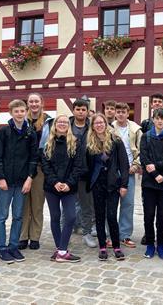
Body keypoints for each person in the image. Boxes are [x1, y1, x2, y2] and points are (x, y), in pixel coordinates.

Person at [0, 99, 38, 263]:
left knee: (18, 216)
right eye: (16, 111)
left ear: (26, 112)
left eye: (22, 111)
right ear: (11, 113)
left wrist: (29, 178)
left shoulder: (30, 133)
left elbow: (34, 158)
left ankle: (13, 246)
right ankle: (2, 248)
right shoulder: (4, 132)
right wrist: (0, 177)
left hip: (21, 181)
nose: (19, 114)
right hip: (6, 181)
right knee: (2, 216)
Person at [41, 115, 84, 263]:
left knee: (70, 216)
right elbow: (45, 166)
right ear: (55, 125)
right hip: (51, 187)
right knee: (55, 216)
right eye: (60, 122)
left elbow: (78, 166)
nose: (63, 124)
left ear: (69, 125)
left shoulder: (76, 143)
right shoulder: (48, 144)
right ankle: (62, 250)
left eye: (65, 122)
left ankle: (61, 251)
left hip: (69, 188)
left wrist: (68, 184)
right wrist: (55, 182)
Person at [87, 113, 130, 261]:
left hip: (113, 183)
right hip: (97, 184)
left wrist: (124, 184)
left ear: (106, 124)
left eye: (101, 122)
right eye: (96, 123)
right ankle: (102, 247)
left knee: (111, 216)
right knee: (99, 216)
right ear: (93, 126)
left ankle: (117, 246)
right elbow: (87, 165)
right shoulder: (89, 142)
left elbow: (124, 164)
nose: (99, 125)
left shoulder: (116, 140)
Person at [140, 108, 163, 260]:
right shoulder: (146, 137)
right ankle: (150, 244)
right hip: (149, 183)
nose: (160, 121)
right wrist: (155, 174)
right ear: (153, 119)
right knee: (148, 216)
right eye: (157, 118)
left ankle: (161, 245)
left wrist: (156, 167)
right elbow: (144, 158)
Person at [19, 92, 52, 250]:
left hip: (40, 167)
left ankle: (35, 236)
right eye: (31, 101)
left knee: (37, 204)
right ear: (28, 104)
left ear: (41, 103)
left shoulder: (48, 121)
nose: (33, 104)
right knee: (24, 204)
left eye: (36, 101)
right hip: (23, 167)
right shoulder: (22, 120)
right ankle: (23, 236)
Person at [111, 102, 142, 248]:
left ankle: (125, 235)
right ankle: (110, 234)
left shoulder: (136, 129)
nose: (121, 114)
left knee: (127, 204)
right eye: (118, 111)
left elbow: (141, 150)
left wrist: (136, 165)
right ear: (115, 113)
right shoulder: (109, 128)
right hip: (112, 171)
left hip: (129, 170)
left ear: (128, 112)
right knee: (110, 204)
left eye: (124, 111)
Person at [70, 98, 97, 248]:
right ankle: (65, 233)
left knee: (87, 206)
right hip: (68, 173)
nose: (80, 112)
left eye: (83, 109)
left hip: (86, 173)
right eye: (78, 109)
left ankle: (87, 233)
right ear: (73, 110)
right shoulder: (66, 126)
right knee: (67, 207)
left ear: (87, 112)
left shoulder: (91, 127)